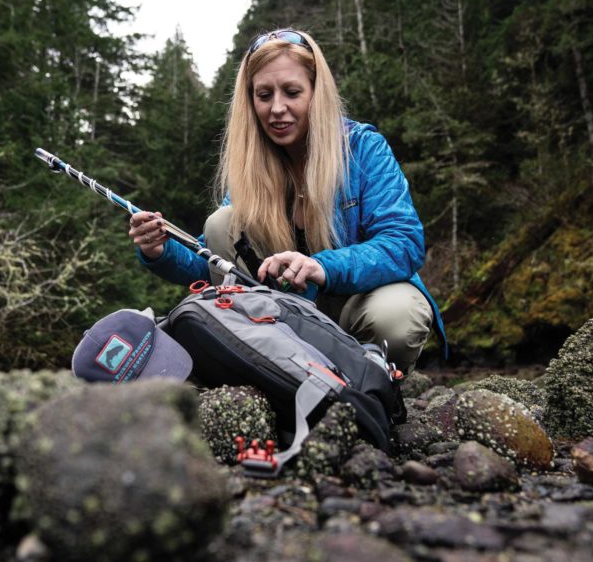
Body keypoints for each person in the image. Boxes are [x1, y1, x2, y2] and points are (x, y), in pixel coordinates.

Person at [127, 29, 446, 373]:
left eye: (292, 92)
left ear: (315, 92)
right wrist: (158, 251)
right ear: (251, 101)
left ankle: (376, 383)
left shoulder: (363, 149)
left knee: (400, 316)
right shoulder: (251, 167)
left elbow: (404, 242)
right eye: (264, 95)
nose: (277, 108)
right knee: (222, 222)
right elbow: (212, 261)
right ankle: (272, 373)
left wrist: (323, 267)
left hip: (356, 306)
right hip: (285, 321)